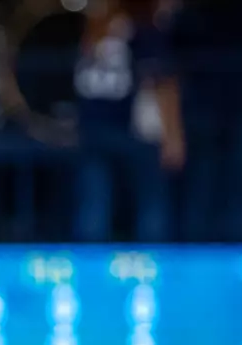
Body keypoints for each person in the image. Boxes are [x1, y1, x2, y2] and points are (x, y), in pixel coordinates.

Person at [73, 0, 185, 242]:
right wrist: (173, 136)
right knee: (150, 206)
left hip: (97, 128)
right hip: (131, 131)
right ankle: (152, 266)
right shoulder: (142, 30)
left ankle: (91, 271)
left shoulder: (94, 29)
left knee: (95, 206)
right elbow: (163, 83)